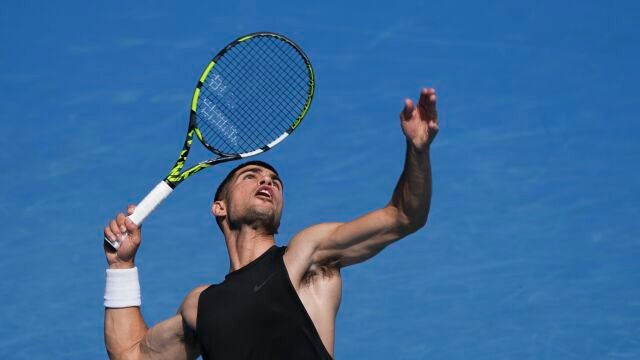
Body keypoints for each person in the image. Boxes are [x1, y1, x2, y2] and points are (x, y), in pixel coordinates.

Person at [103, 88, 439, 359]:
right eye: (251, 176)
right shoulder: (199, 305)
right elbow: (130, 356)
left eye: (275, 182)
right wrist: (121, 265)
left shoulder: (307, 257)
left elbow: (403, 217)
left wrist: (418, 152)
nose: (268, 182)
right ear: (219, 208)